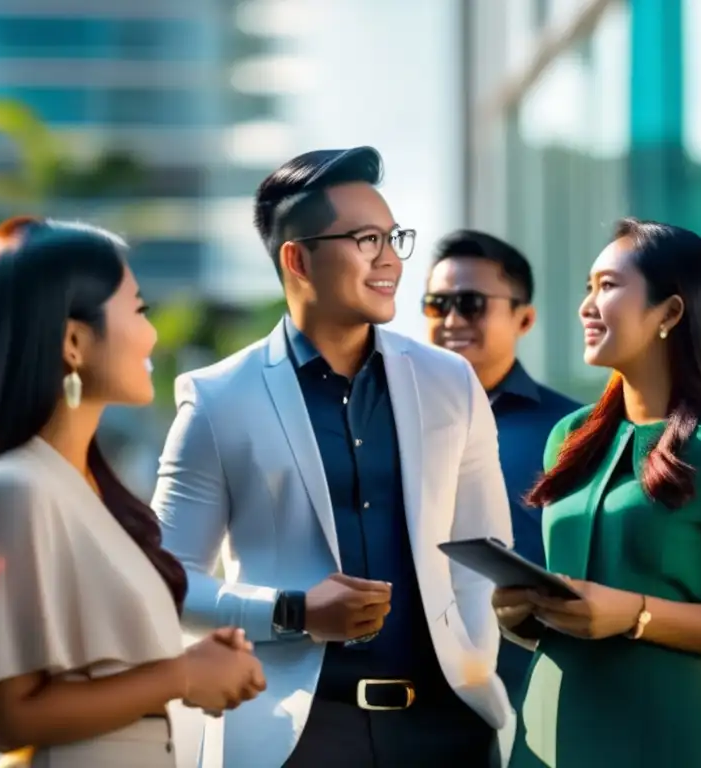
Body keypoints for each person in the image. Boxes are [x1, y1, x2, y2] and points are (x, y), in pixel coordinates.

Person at [152, 146, 513, 768]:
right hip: (295, 738)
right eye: (366, 239)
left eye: (394, 238)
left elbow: (481, 553)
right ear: (298, 258)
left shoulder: (451, 382)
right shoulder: (217, 398)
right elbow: (163, 580)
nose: (391, 259)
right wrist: (293, 612)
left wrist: (473, 662)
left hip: (444, 731)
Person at [492, 218, 701, 767]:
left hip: (663, 735)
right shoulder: (569, 437)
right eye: (588, 286)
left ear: (670, 313)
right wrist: (522, 617)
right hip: (548, 728)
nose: (586, 304)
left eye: (607, 285)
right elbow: (578, 606)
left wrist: (635, 614)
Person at [0, 218, 265, 768]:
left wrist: (196, 660)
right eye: (138, 310)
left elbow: (101, 672)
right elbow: (13, 716)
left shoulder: (87, 490)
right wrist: (183, 674)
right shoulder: (17, 487)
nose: (152, 334)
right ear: (75, 341)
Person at [423, 230, 579, 697]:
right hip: (407, 691)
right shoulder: (386, 418)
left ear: (524, 318)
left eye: (471, 303)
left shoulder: (572, 432)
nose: (452, 319)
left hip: (525, 690)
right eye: (436, 304)